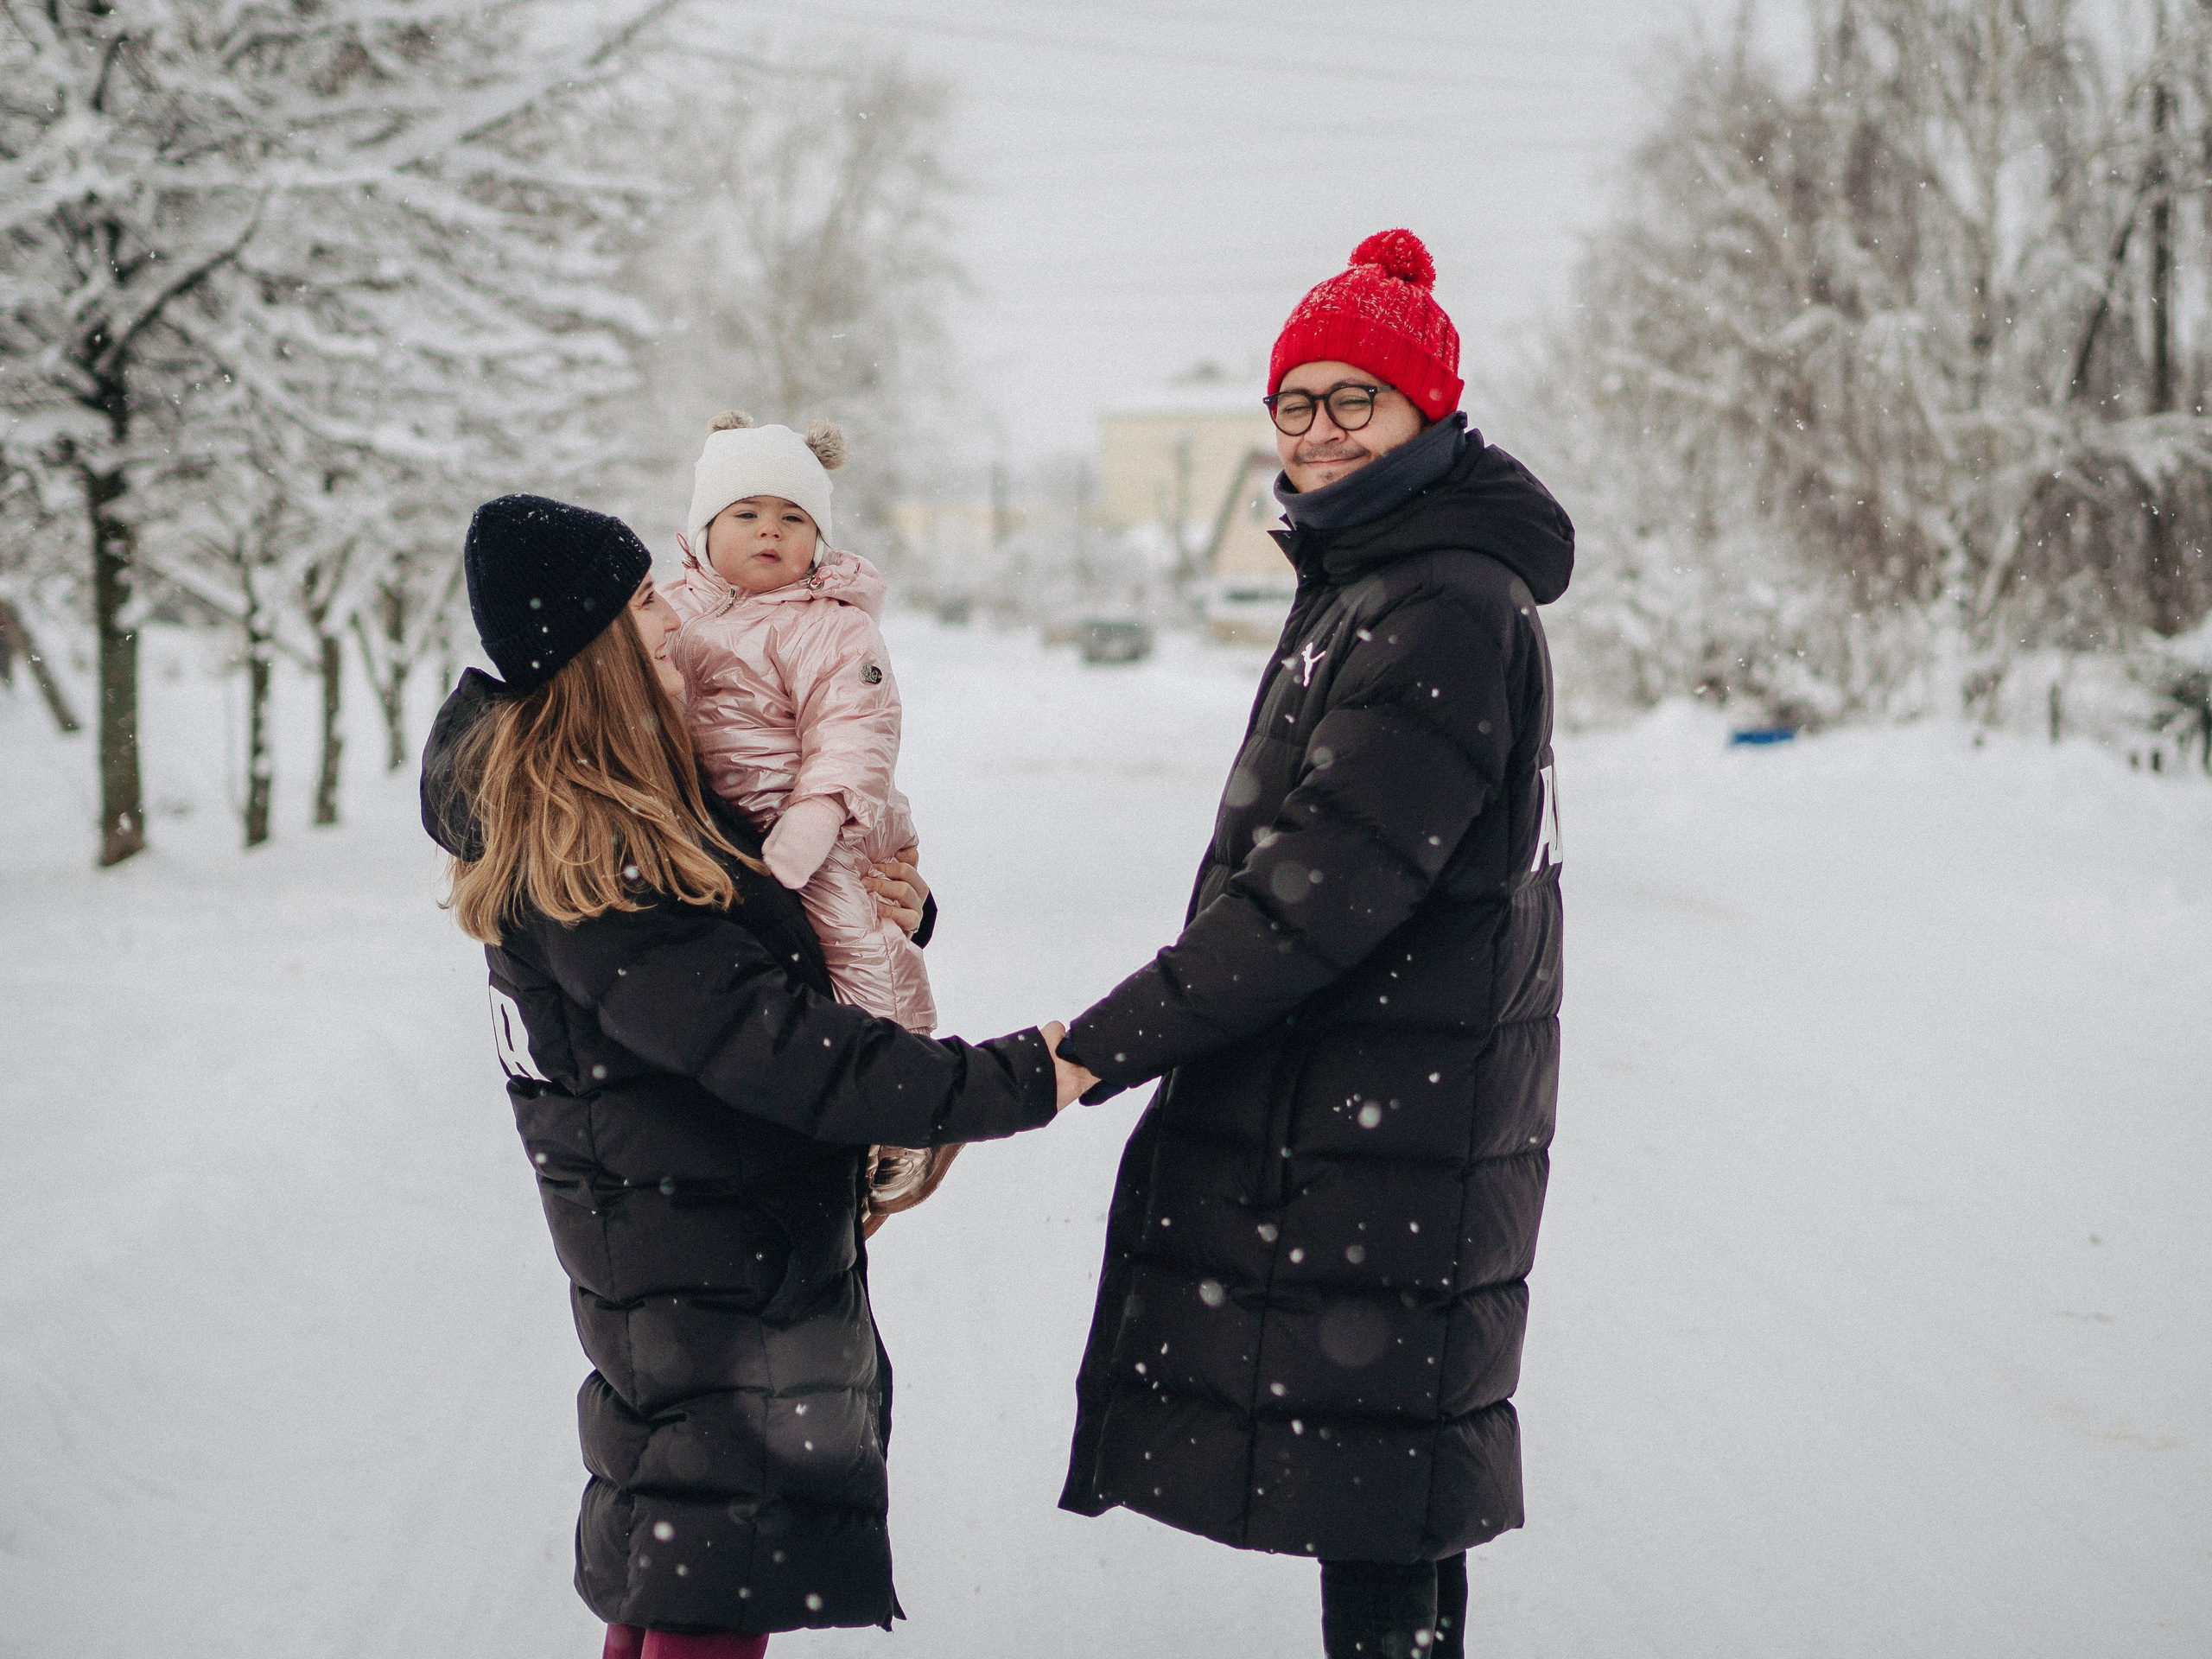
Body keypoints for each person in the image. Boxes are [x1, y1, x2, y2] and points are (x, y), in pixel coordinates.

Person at [418, 493, 1096, 1659]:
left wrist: (900, 910)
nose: (674, 624)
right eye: (643, 606)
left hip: (698, 1266)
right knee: (705, 1582)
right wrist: (1022, 1078)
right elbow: (781, 1048)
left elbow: (763, 941)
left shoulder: (627, 804)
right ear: (590, 650)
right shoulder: (602, 858)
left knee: (678, 1571)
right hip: (711, 1283)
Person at [1052, 229, 1574, 1659]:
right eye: (1298, 402)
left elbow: (1314, 897)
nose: (1322, 431)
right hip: (1375, 1127)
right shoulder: (1371, 582)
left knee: (1389, 1513)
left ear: (1431, 413)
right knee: (1388, 1504)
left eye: (1358, 400)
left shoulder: (1443, 602)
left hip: (1391, 1129)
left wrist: (1086, 1054)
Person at [664, 411, 950, 1229]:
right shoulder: (668, 614)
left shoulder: (832, 621)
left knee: (857, 944)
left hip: (821, 824)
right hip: (726, 831)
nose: (770, 532)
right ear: (702, 528)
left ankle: (901, 1101)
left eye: (793, 518)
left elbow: (858, 727)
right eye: (746, 514)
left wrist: (819, 810)